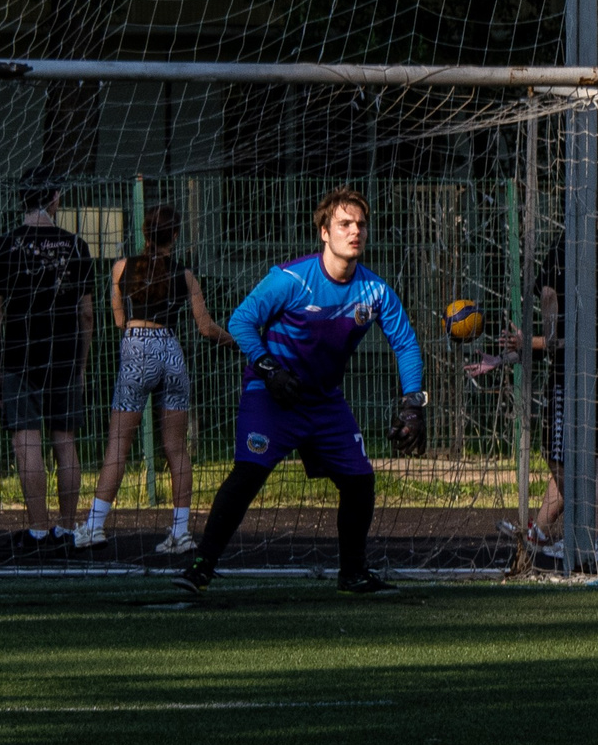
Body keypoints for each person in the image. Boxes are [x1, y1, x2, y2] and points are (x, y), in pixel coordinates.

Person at [175, 187, 427, 596]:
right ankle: (201, 565)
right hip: (271, 394)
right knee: (249, 473)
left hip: (325, 400)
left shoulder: (375, 291)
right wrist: (270, 370)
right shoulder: (291, 279)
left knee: (360, 481)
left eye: (361, 224)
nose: (355, 231)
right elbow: (240, 321)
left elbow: (406, 343)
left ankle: (353, 574)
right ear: (324, 232)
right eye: (345, 224)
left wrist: (413, 404)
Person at [468, 219, 598, 564]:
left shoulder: (566, 249)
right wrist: (507, 357)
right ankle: (563, 531)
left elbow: (553, 319)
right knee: (594, 461)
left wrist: (545, 340)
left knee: (587, 461)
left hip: (589, 380)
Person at [74, 203, 236, 556]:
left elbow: (119, 321)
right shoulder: (185, 275)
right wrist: (239, 342)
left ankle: (94, 526)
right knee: (177, 450)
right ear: (174, 236)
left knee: (118, 447)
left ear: (145, 233)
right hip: (171, 353)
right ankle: (179, 533)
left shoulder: (121, 269)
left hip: (136, 350)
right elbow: (206, 327)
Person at [0, 169, 96, 545]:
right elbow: (87, 313)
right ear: (54, 198)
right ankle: (66, 526)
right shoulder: (76, 246)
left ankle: (37, 529)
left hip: (19, 354)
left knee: (26, 441)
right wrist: (80, 366)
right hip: (62, 354)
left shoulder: (2, 246)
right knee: (65, 441)